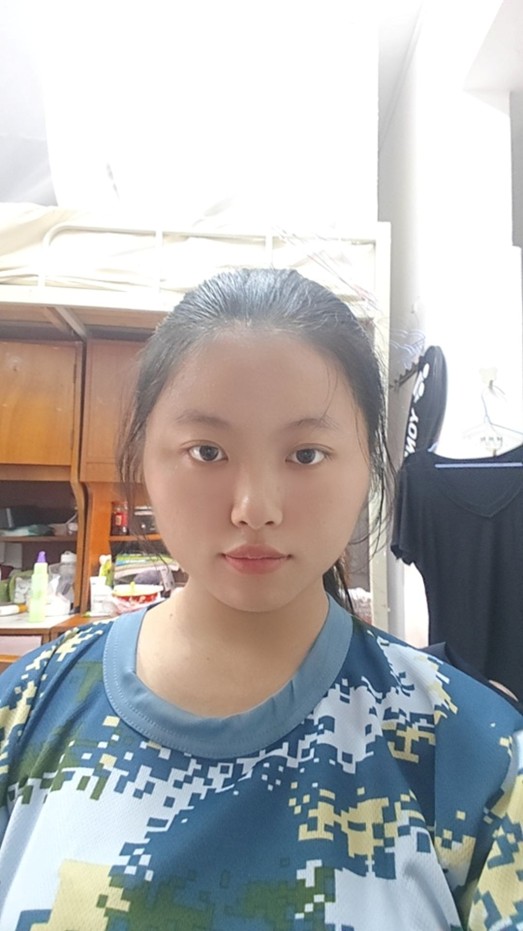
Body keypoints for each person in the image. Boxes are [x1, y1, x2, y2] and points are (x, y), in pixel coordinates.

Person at [0, 268, 521, 929]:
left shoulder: (475, 753)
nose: (254, 508)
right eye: (207, 451)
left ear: (367, 463)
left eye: (305, 454)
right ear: (144, 457)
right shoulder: (24, 711)